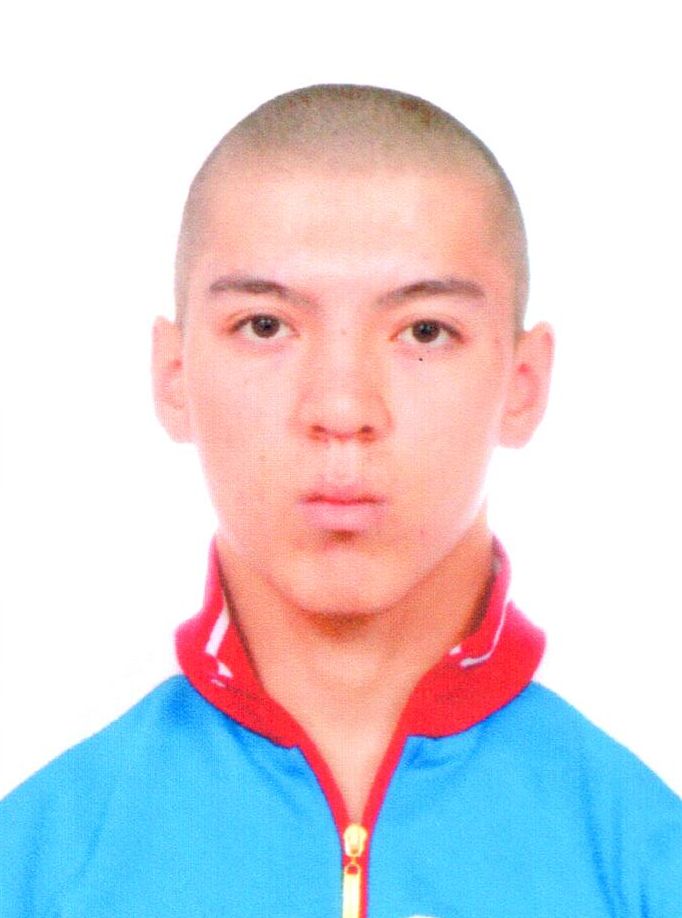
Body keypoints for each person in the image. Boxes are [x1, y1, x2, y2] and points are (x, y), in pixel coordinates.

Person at [1, 84, 680, 918]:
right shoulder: (35, 867)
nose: (343, 408)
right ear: (174, 377)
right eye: (265, 326)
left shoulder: (650, 862)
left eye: (424, 331)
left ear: (524, 383)